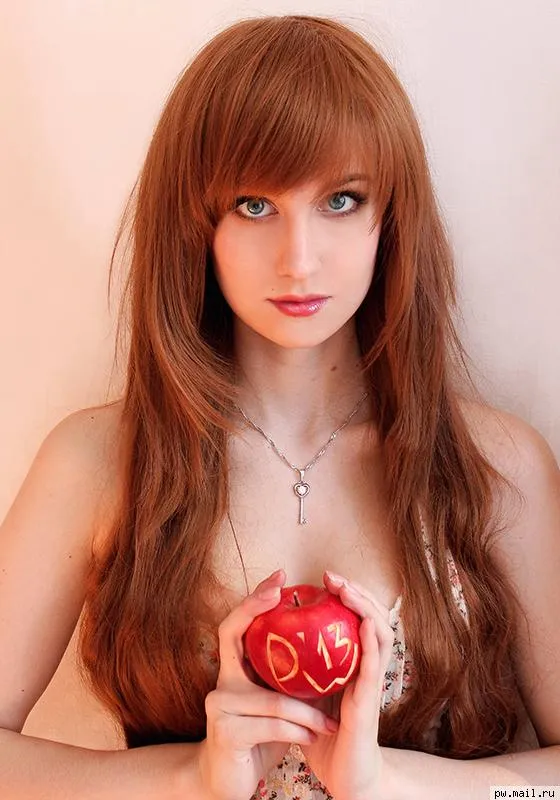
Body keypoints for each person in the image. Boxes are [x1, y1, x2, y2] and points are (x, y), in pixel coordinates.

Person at [0, 12, 558, 800]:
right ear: (196, 222)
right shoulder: (99, 462)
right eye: (254, 206)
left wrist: (388, 782)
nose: (299, 260)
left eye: (341, 200)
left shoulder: (497, 468)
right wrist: (191, 778)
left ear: (390, 217)